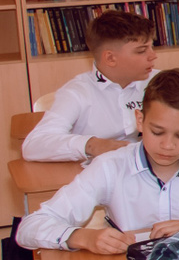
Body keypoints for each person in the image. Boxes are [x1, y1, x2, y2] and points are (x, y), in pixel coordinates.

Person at [18, 69, 179, 253]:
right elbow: (29, 227)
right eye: (157, 132)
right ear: (140, 121)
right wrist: (83, 237)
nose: (168, 145)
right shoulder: (110, 167)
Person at [23, 9, 159, 162]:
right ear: (110, 58)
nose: (153, 56)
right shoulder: (77, 92)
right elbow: (33, 145)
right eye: (141, 51)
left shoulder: (161, 82)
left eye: (152, 47)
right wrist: (92, 145)